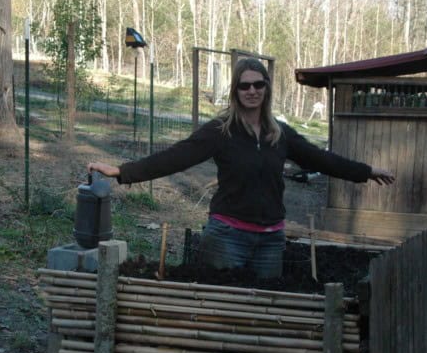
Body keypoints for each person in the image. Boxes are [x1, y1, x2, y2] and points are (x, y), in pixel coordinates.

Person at [87, 57, 395, 279]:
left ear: (266, 88)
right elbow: (176, 156)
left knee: (262, 313)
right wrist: (122, 172)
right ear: (236, 90)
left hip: (272, 240)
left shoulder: (280, 133)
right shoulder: (221, 130)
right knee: (220, 312)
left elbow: (320, 159)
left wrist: (365, 171)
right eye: (244, 85)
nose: (252, 91)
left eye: (258, 84)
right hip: (227, 237)